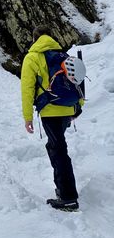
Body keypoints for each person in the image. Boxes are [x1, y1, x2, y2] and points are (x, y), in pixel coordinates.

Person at [21, 25, 81, 211]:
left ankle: (68, 197)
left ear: (35, 38)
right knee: (56, 146)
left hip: (49, 110)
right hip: (67, 108)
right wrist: (76, 108)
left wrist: (28, 117)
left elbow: (27, 89)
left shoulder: (32, 57)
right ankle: (63, 189)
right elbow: (78, 82)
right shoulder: (63, 55)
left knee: (58, 150)